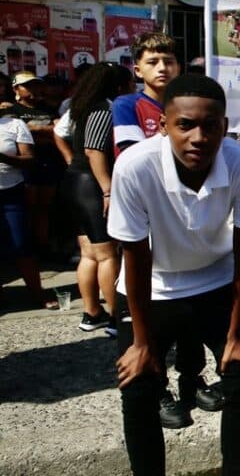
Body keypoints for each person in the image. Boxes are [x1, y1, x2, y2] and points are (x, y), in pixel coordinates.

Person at [109, 74, 240, 475]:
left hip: (216, 280)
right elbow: (135, 256)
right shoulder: (134, 166)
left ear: (225, 127)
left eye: (210, 126)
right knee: (138, 387)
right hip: (154, 286)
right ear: (163, 125)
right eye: (185, 125)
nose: (198, 137)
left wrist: (236, 335)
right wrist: (141, 343)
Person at [111, 31, 216, 429]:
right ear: (137, 69)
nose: (162, 68)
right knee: (155, 321)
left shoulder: (193, 101)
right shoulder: (128, 105)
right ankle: (159, 390)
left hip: (190, 227)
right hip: (151, 212)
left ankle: (193, 378)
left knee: (192, 316)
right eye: (153, 62)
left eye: (169, 61)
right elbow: (132, 154)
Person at [65, 63, 132, 333]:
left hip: (77, 182)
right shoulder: (104, 109)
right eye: (130, 83)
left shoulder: (84, 107)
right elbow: (94, 151)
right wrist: (107, 189)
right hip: (90, 185)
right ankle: (117, 318)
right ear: (119, 86)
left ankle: (92, 313)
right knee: (107, 254)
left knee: (89, 253)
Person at [0, 105, 52, 309]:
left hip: (11, 193)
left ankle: (37, 293)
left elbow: (29, 159)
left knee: (21, 244)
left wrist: (3, 158)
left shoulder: (14, 124)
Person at [8, 71, 61, 257]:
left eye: (36, 84)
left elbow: (59, 130)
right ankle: (27, 249)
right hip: (25, 165)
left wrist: (34, 129)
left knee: (45, 208)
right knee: (28, 207)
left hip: (49, 162)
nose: (33, 89)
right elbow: (17, 136)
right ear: (16, 89)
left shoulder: (47, 108)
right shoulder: (11, 110)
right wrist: (43, 131)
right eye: (28, 85)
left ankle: (42, 246)